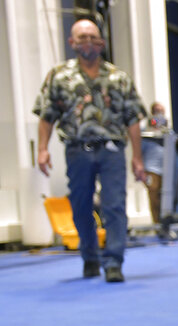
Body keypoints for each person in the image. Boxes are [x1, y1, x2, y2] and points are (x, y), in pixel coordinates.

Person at [33, 18, 147, 283]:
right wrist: (42, 149)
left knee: (115, 205)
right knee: (80, 205)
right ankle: (90, 256)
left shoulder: (119, 78)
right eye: (81, 37)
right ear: (71, 42)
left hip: (112, 150)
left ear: (101, 43)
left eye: (92, 37)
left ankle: (114, 262)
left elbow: (133, 119)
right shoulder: (59, 77)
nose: (88, 42)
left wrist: (138, 158)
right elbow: (47, 116)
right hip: (77, 150)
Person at [141, 102, 168, 227]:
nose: (160, 114)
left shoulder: (167, 131)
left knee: (166, 197)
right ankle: (156, 224)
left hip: (166, 169)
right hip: (151, 169)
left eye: (162, 111)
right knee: (154, 197)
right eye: (157, 111)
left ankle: (166, 222)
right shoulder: (145, 132)